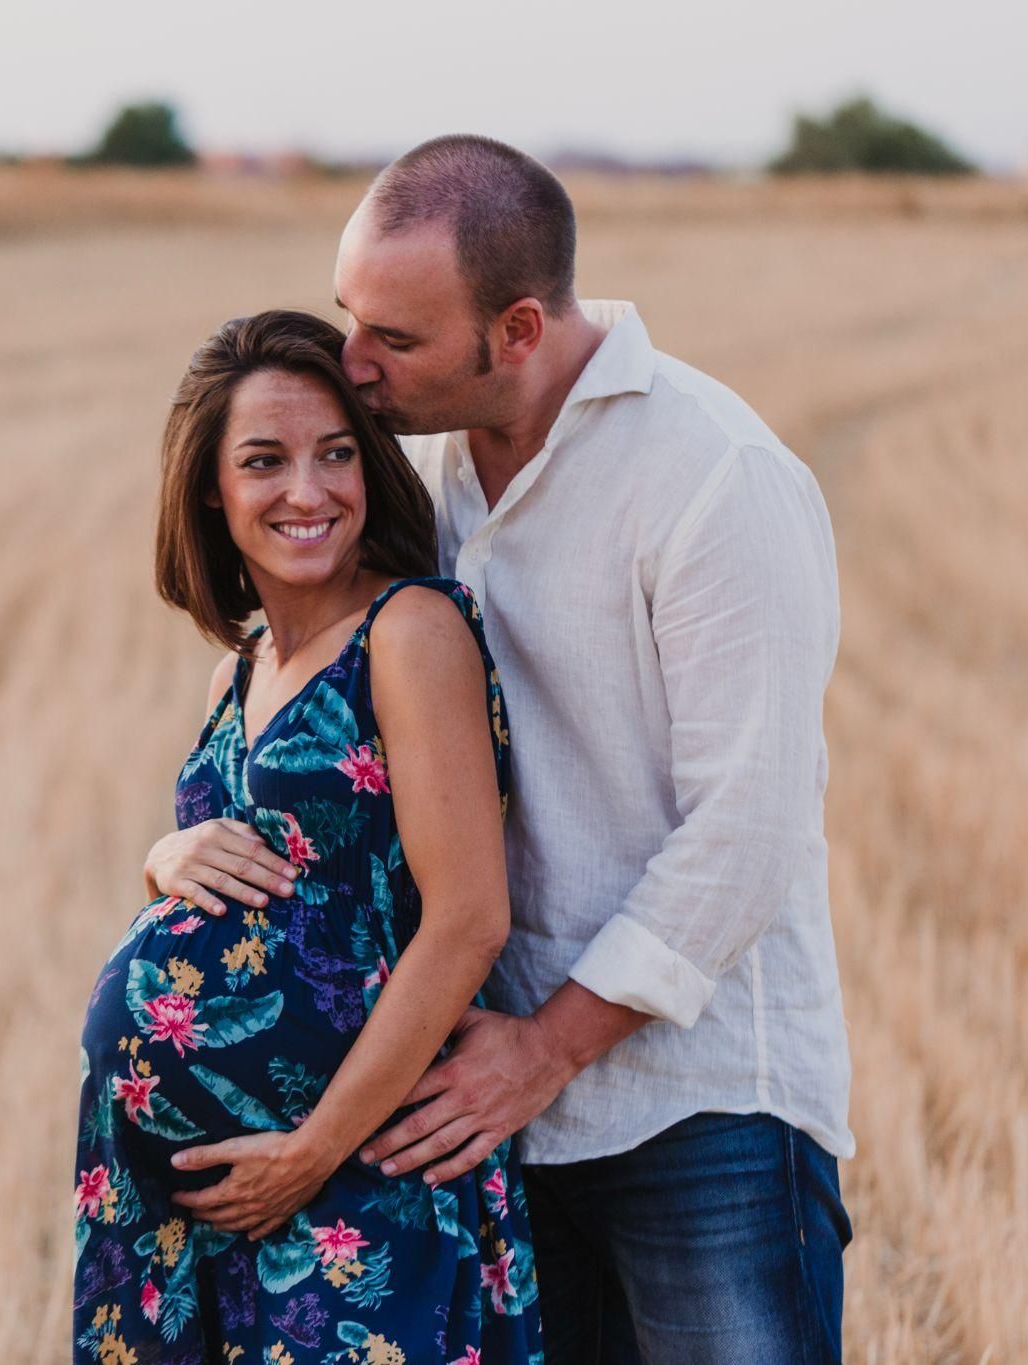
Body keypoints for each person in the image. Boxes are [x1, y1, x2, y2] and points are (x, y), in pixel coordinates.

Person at [145, 136, 856, 1363]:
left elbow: (747, 832)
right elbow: (333, 737)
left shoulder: (709, 477)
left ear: (516, 329)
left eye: (396, 341)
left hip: (699, 1115)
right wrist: (177, 849)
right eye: (347, 319)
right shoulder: (414, 465)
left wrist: (546, 1048)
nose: (353, 368)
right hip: (477, 1114)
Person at [74, 309, 544, 1365]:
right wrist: (163, 857)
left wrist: (311, 1153)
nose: (309, 490)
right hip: (198, 1212)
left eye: (337, 454)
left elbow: (466, 920)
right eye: (265, 461)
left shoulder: (408, 631)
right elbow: (236, 890)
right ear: (209, 487)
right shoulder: (234, 672)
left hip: (358, 1185)